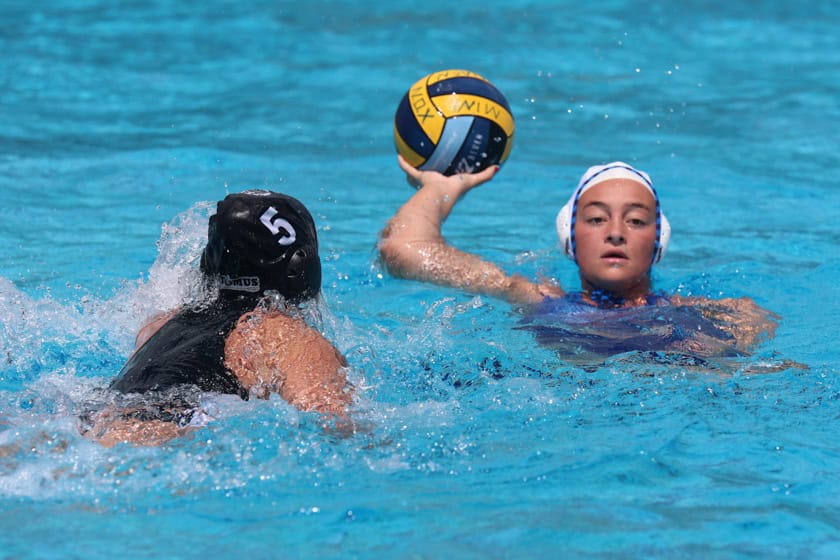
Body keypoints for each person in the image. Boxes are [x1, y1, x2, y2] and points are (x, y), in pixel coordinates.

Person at [379, 156, 779, 364]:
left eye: (636, 220)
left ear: (658, 241)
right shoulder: (535, 297)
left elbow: (750, 356)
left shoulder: (720, 313)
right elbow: (403, 251)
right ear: (570, 239)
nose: (616, 232)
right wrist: (442, 188)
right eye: (596, 219)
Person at [82, 190, 353, 446]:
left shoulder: (160, 325)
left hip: (93, 422)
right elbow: (331, 423)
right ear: (300, 266)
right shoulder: (282, 334)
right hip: (163, 436)